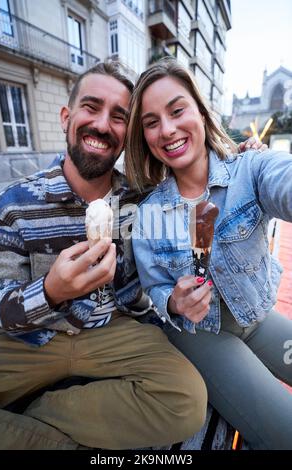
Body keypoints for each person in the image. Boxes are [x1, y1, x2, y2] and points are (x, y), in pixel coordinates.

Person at [0, 61, 209, 450]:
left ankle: (35, 419)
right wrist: (50, 291)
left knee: (187, 401)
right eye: (91, 107)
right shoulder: (14, 203)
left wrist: (238, 155)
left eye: (119, 117)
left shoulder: (139, 202)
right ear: (66, 117)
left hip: (114, 333)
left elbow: (197, 182)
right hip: (23, 341)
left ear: (127, 134)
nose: (103, 125)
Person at [125, 58, 292, 450]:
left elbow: (281, 178)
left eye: (177, 110)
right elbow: (154, 292)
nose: (167, 129)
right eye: (151, 122)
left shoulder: (249, 169)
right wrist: (175, 302)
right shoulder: (147, 213)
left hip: (257, 318)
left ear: (201, 111)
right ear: (145, 136)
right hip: (200, 335)